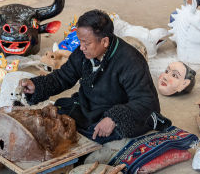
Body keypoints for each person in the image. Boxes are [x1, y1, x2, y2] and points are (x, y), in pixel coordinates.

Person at [20, 9, 165, 143]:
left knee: (88, 138)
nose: (81, 47)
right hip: (88, 107)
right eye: (80, 41)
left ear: (105, 41)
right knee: (52, 119)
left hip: (115, 111)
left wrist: (114, 118)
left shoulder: (131, 61)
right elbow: (63, 76)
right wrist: (37, 86)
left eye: (86, 43)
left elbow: (146, 101)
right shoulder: (84, 51)